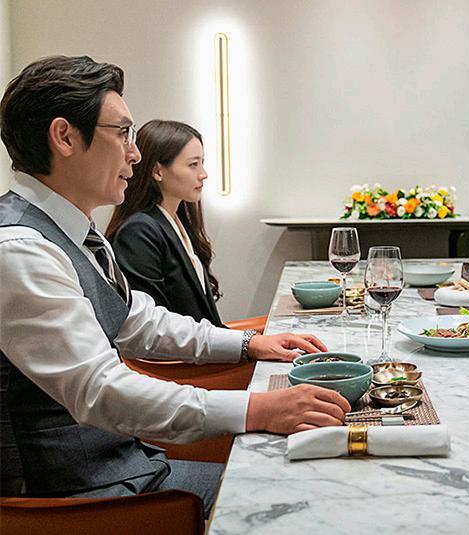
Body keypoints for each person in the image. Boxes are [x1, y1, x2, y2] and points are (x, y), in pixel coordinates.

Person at [0, 56, 350, 514]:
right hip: (76, 500)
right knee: (304, 498)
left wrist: (249, 343)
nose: (135, 153)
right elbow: (100, 389)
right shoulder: (20, 249)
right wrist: (257, 408)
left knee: (313, 478)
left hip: (129, 467)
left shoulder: (74, 233)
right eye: (123, 133)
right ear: (64, 136)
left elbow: (140, 320)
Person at [105, 120, 223, 326]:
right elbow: (154, 325)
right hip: (179, 345)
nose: (203, 174)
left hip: (203, 342)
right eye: (193, 164)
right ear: (158, 171)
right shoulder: (138, 232)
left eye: (202, 162)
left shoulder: (179, 223)